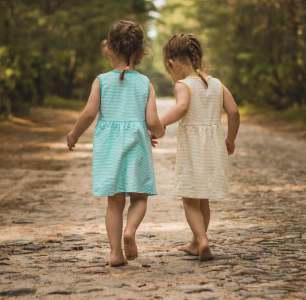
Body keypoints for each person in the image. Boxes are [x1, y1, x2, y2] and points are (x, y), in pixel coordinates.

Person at [66, 20, 165, 266]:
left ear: (109, 50)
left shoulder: (101, 81)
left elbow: (89, 113)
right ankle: (130, 231)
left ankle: (115, 253)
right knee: (139, 198)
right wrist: (158, 133)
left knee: (114, 202)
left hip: (109, 147)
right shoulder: (145, 83)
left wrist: (74, 134)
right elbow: (152, 121)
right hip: (137, 143)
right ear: (141, 53)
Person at [160, 34, 240, 260]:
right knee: (202, 197)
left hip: (193, 149)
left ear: (172, 63)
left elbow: (182, 108)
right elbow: (233, 111)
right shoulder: (217, 84)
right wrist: (230, 139)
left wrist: (159, 124)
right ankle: (197, 241)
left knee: (189, 198)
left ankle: (202, 240)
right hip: (214, 147)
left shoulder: (183, 85)